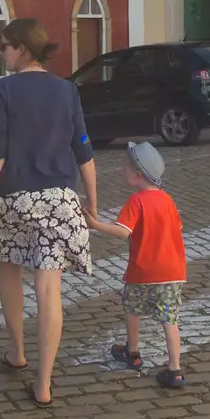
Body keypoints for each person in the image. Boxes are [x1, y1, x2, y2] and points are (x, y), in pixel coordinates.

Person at [0, 18, 98, 408]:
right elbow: (83, 147)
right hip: (59, 200)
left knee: (9, 270)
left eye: (6, 45)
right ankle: (43, 384)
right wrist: (92, 199)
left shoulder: (3, 89)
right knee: (50, 292)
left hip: (12, 197)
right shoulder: (67, 90)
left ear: (22, 50)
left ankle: (16, 352)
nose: (2, 51)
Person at [87, 142, 188, 389]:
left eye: (125, 168)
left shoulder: (136, 201)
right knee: (170, 319)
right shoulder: (168, 200)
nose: (122, 171)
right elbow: (178, 229)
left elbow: (123, 232)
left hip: (142, 271)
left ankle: (133, 352)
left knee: (133, 309)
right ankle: (175, 368)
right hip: (173, 272)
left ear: (138, 174)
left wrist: (96, 224)